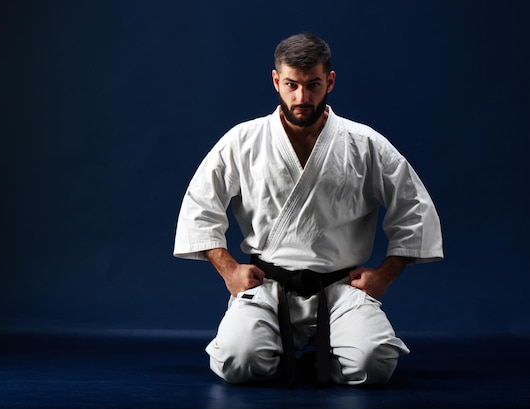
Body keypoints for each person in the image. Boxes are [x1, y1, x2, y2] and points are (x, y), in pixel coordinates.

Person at [173, 33, 443, 387]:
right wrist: (228, 271)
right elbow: (199, 206)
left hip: (341, 286)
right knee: (237, 362)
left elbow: (415, 210)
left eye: (313, 85)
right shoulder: (243, 141)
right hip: (268, 286)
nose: (302, 97)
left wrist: (384, 275)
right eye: (292, 85)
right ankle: (278, 350)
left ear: (329, 81)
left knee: (373, 363)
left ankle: (323, 353)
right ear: (276, 81)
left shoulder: (363, 143)